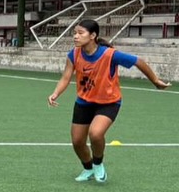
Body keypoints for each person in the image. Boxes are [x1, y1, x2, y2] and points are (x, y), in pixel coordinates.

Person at [47, 18, 169, 182]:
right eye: (74, 33)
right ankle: (88, 168)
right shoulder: (74, 54)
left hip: (108, 102)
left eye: (80, 33)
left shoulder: (110, 55)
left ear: (93, 35)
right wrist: (55, 93)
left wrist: (155, 81)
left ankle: (98, 164)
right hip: (84, 102)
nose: (75, 36)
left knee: (96, 134)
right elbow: (65, 77)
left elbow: (138, 61)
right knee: (77, 141)